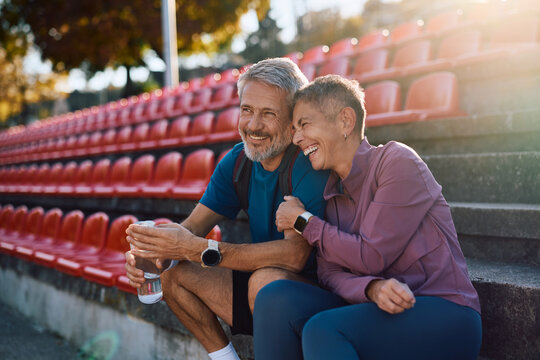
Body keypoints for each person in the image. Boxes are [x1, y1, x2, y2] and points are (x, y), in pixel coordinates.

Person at [253, 75, 482, 360]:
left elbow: (371, 255)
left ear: (345, 122)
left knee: (322, 330)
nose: (297, 138)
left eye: (304, 124)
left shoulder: (397, 162)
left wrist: (303, 221)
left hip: (444, 312)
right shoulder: (331, 192)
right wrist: (370, 287)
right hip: (379, 310)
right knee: (274, 298)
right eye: (295, 129)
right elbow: (329, 273)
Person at [124, 58, 329, 360]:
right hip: (266, 289)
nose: (253, 125)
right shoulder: (237, 162)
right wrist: (155, 256)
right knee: (173, 273)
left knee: (265, 281)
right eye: (246, 110)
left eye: (268, 114)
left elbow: (294, 256)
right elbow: (191, 229)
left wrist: (199, 250)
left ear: (292, 119)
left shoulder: (307, 160)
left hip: (322, 297)